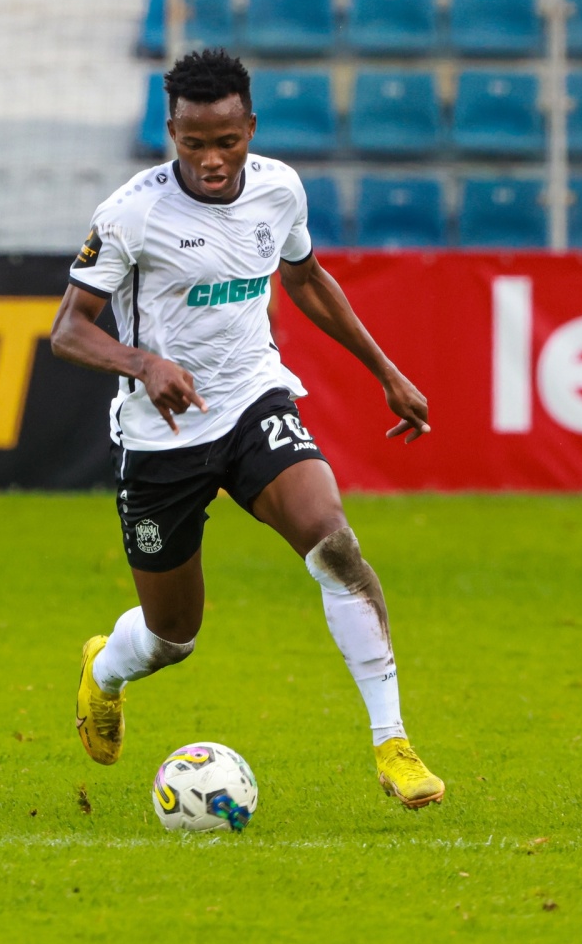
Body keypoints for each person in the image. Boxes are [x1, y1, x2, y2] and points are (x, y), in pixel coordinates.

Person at [53, 50, 445, 809]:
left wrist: (387, 372)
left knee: (335, 545)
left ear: (251, 129)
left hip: (252, 401)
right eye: (194, 143)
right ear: (172, 133)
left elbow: (305, 278)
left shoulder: (278, 189)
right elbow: (68, 329)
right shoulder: (131, 213)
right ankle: (104, 671)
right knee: (172, 637)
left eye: (227, 141)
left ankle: (393, 744)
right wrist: (144, 364)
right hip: (162, 435)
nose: (211, 159)